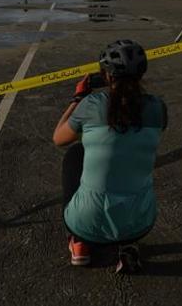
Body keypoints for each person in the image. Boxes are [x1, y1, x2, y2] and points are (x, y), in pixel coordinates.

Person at [53, 40, 167, 271]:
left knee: (75, 153)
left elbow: (58, 138)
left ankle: (79, 243)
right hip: (140, 221)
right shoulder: (158, 107)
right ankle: (126, 246)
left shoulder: (92, 104)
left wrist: (77, 100)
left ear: (106, 76)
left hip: (85, 223)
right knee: (129, 160)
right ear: (141, 74)